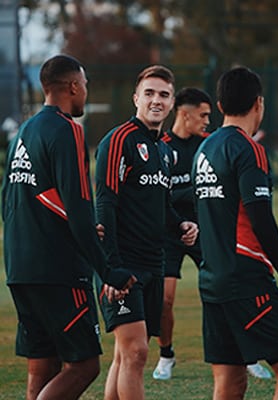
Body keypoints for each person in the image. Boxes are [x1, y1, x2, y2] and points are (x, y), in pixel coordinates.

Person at [1, 54, 135, 399]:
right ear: (73, 86)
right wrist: (108, 271)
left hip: (19, 268)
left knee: (43, 364)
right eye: (85, 85)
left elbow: (8, 200)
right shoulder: (68, 130)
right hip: (58, 270)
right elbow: (78, 207)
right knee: (84, 365)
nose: (86, 91)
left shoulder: (24, 132)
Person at [192, 66, 278, 399]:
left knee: (230, 381)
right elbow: (262, 223)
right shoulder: (248, 149)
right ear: (259, 103)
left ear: (219, 105)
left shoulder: (204, 150)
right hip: (246, 279)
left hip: (212, 280)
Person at [95, 65, 199, 399]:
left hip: (154, 261)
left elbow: (161, 204)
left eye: (164, 95)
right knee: (137, 352)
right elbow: (105, 204)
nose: (156, 100)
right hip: (123, 263)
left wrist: (180, 224)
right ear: (135, 98)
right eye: (149, 93)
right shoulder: (119, 140)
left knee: (126, 354)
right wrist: (111, 268)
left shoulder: (164, 150)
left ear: (172, 103)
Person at [151, 87, 212, 380]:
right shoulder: (161, 146)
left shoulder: (208, 146)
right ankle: (166, 355)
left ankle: (244, 355)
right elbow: (157, 195)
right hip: (170, 234)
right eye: (203, 115)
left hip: (203, 232)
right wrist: (190, 192)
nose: (207, 121)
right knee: (164, 301)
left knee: (224, 293)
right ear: (185, 115)